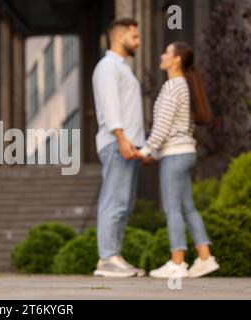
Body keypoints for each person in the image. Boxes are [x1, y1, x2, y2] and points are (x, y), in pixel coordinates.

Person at [138, 41, 220, 278]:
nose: (162, 55)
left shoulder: (173, 86)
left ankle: (177, 262)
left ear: (177, 60)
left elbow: (162, 126)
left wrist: (146, 150)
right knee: (188, 207)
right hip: (186, 153)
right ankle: (205, 258)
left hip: (174, 155)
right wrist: (153, 152)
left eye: (167, 52)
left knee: (173, 209)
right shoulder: (185, 85)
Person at [92, 18, 145, 278]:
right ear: (119, 36)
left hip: (129, 145)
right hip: (117, 143)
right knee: (114, 201)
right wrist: (122, 139)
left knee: (123, 203)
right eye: (134, 37)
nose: (138, 41)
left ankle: (114, 254)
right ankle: (107, 259)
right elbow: (111, 106)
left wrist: (141, 147)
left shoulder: (122, 68)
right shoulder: (108, 67)